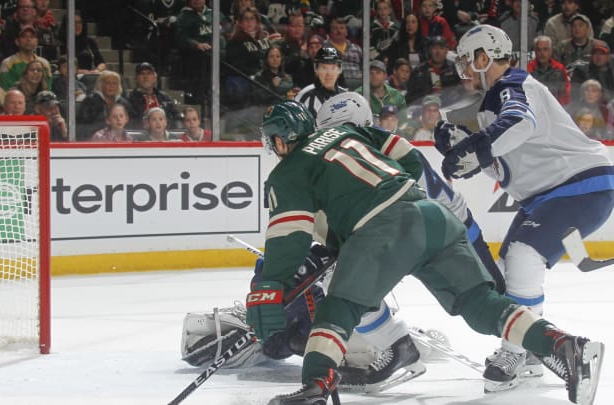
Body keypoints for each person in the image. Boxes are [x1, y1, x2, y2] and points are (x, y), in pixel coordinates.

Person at [252, 95, 605, 405]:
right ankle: (563, 346)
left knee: (338, 308)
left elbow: (289, 236)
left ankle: (315, 385)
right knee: (481, 305)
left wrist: (272, 285)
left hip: (382, 231)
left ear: (281, 139)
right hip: (433, 216)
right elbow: (407, 157)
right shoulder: (348, 131)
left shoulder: (287, 173)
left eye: (273, 140)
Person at [434, 24, 614, 393]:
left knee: (523, 254)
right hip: (555, 194)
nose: (466, 69)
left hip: (580, 186)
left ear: (485, 57)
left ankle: (514, 349)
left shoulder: (513, 86)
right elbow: (505, 159)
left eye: (469, 60)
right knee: (507, 272)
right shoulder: (494, 101)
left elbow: (518, 123)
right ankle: (533, 346)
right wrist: (468, 147)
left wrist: (477, 147)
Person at [76, 70, 133, 140]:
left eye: (114, 83)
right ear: (101, 85)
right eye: (108, 83)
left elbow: (131, 125)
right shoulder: (89, 102)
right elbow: (81, 127)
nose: (111, 86)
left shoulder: (124, 104)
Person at [294, 47, 347, 117]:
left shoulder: (346, 96)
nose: (328, 73)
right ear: (316, 69)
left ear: (339, 70)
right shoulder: (304, 96)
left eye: (333, 68)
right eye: (324, 68)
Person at [0, 26, 53, 91]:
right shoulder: (7, 64)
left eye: (32, 37)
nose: (28, 39)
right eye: (24, 36)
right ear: (17, 41)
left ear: (37, 42)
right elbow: (5, 91)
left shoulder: (45, 64)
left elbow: (47, 90)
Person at [127, 62, 178, 130]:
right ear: (136, 79)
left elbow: (175, 118)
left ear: (154, 78)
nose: (146, 77)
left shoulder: (165, 98)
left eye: (149, 73)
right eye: (142, 74)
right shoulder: (130, 99)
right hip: (140, 137)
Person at [356, 59, 407, 126]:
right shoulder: (358, 95)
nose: (374, 76)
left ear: (385, 75)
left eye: (378, 72)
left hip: (391, 134)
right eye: (371, 73)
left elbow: (403, 124)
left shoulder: (397, 96)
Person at [527, 35, 571, 105]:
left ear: (550, 51)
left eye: (545, 49)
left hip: (555, 107)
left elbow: (565, 93)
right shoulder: (528, 69)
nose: (542, 53)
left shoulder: (559, 68)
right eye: (539, 50)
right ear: (535, 52)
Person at [323, 17, 363, 89]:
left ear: (347, 32)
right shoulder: (324, 47)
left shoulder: (356, 48)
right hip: (335, 84)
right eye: (335, 28)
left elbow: (364, 67)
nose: (338, 31)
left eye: (342, 28)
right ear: (330, 32)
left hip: (358, 85)